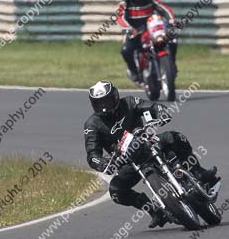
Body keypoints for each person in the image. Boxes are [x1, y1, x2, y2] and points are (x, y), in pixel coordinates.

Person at [83, 80, 219, 228]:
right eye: (99, 103)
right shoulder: (92, 125)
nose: (104, 107)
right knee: (116, 190)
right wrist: (101, 163)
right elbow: (92, 155)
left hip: (148, 143)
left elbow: (152, 106)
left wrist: (161, 112)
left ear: (115, 96)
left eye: (107, 101)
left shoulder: (128, 102)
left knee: (174, 137)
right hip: (128, 162)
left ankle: (199, 173)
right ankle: (154, 211)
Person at [117, 0, 178, 83]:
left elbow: (165, 9)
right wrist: (129, 28)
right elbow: (119, 17)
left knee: (172, 40)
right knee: (126, 50)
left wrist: (172, 21)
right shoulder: (124, 3)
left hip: (151, 28)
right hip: (134, 31)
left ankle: (172, 63)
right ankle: (133, 71)